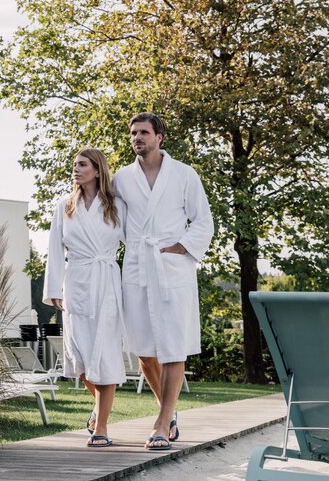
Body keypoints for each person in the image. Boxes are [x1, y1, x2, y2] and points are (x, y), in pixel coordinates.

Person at [113, 112, 213, 451]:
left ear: (160, 137)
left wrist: (181, 247)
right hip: (138, 266)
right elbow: (113, 220)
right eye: (133, 133)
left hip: (172, 266)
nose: (137, 138)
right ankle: (167, 413)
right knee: (143, 349)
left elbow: (203, 220)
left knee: (173, 345)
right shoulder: (122, 179)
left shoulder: (184, 174)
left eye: (143, 132)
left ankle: (161, 421)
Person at [43, 147, 127, 448]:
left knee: (103, 353)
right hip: (75, 281)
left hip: (106, 280)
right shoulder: (64, 205)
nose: (76, 169)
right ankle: (98, 409)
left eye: (83, 165)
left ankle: (102, 426)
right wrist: (53, 289)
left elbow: (134, 241)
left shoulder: (116, 204)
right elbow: (54, 248)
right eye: (75, 165)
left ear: (97, 169)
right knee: (80, 360)